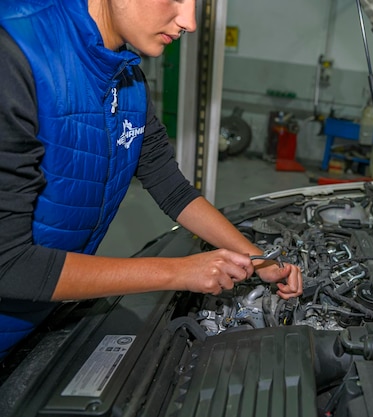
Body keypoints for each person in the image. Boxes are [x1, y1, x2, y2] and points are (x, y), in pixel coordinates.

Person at [0, 0, 303, 359]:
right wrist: (179, 272)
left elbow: (173, 190)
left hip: (40, 318)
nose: (189, 21)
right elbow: (9, 264)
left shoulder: (128, 80)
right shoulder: (15, 54)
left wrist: (258, 259)